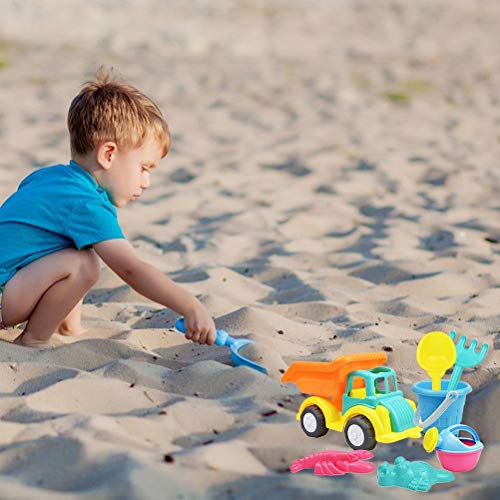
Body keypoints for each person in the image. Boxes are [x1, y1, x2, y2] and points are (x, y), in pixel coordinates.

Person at [0, 69, 216, 347]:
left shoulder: (50, 177)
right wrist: (191, 306)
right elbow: (132, 270)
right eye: (144, 168)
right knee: (84, 263)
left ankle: (69, 327)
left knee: (77, 247)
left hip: (10, 285)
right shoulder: (85, 204)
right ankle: (33, 340)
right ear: (108, 154)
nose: (147, 182)